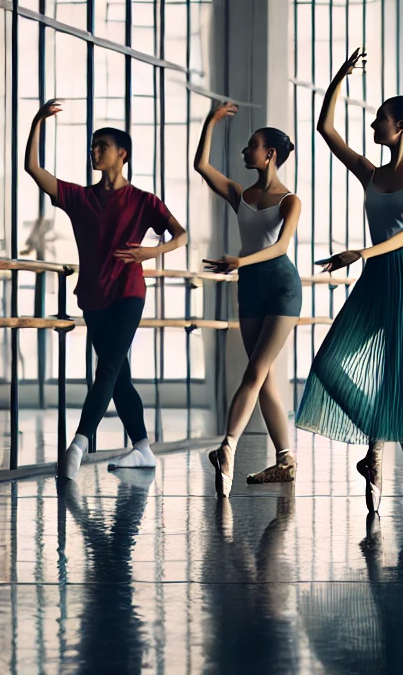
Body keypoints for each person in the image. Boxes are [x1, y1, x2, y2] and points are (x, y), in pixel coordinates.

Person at [295, 48, 403, 513]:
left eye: (380, 119)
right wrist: (339, 78)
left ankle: (400, 457)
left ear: (400, 126)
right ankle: (389, 446)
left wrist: (358, 252)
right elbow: (327, 130)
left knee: (401, 373)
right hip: (377, 275)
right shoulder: (371, 172)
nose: (372, 127)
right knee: (328, 362)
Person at [27, 101, 187, 479]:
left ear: (122, 154)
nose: (94, 152)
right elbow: (33, 169)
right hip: (93, 297)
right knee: (120, 376)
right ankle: (143, 448)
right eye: (92, 147)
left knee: (109, 368)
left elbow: (180, 235)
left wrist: (151, 251)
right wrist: (36, 122)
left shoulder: (144, 201)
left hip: (129, 292)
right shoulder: (80, 198)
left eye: (101, 146)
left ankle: (78, 445)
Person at [194, 101, 305, 495]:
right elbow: (202, 167)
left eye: (251, 146)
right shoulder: (240, 194)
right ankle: (286, 458)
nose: (245, 152)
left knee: (256, 372)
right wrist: (210, 121)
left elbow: (280, 247)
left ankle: (227, 447)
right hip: (251, 288)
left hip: (281, 287)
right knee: (265, 377)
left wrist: (240, 259)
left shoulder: (290, 200)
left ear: (269, 154)